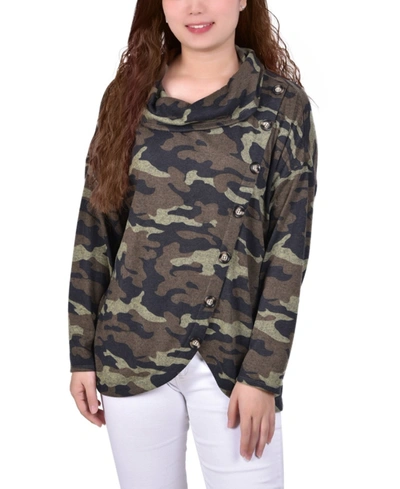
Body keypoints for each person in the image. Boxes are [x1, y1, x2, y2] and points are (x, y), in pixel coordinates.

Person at [68, 1, 318, 488]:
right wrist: (81, 352)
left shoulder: (281, 106)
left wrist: (263, 375)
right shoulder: (127, 95)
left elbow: (289, 250)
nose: (195, 7)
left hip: (234, 364)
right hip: (129, 352)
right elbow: (96, 228)